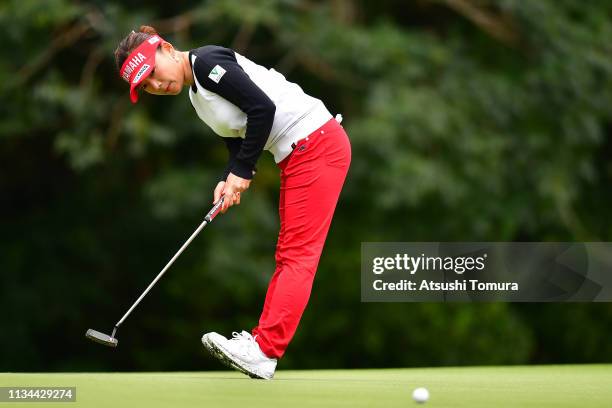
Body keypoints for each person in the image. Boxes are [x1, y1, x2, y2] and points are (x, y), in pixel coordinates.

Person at [114, 26, 351, 380]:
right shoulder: (197, 97)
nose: (156, 85)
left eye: (153, 73)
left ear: (166, 48)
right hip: (300, 150)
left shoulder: (207, 62)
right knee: (290, 254)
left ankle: (265, 350)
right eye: (146, 86)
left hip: (315, 144)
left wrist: (243, 171)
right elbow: (237, 140)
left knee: (298, 255)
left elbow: (261, 108)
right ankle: (262, 347)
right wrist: (229, 179)